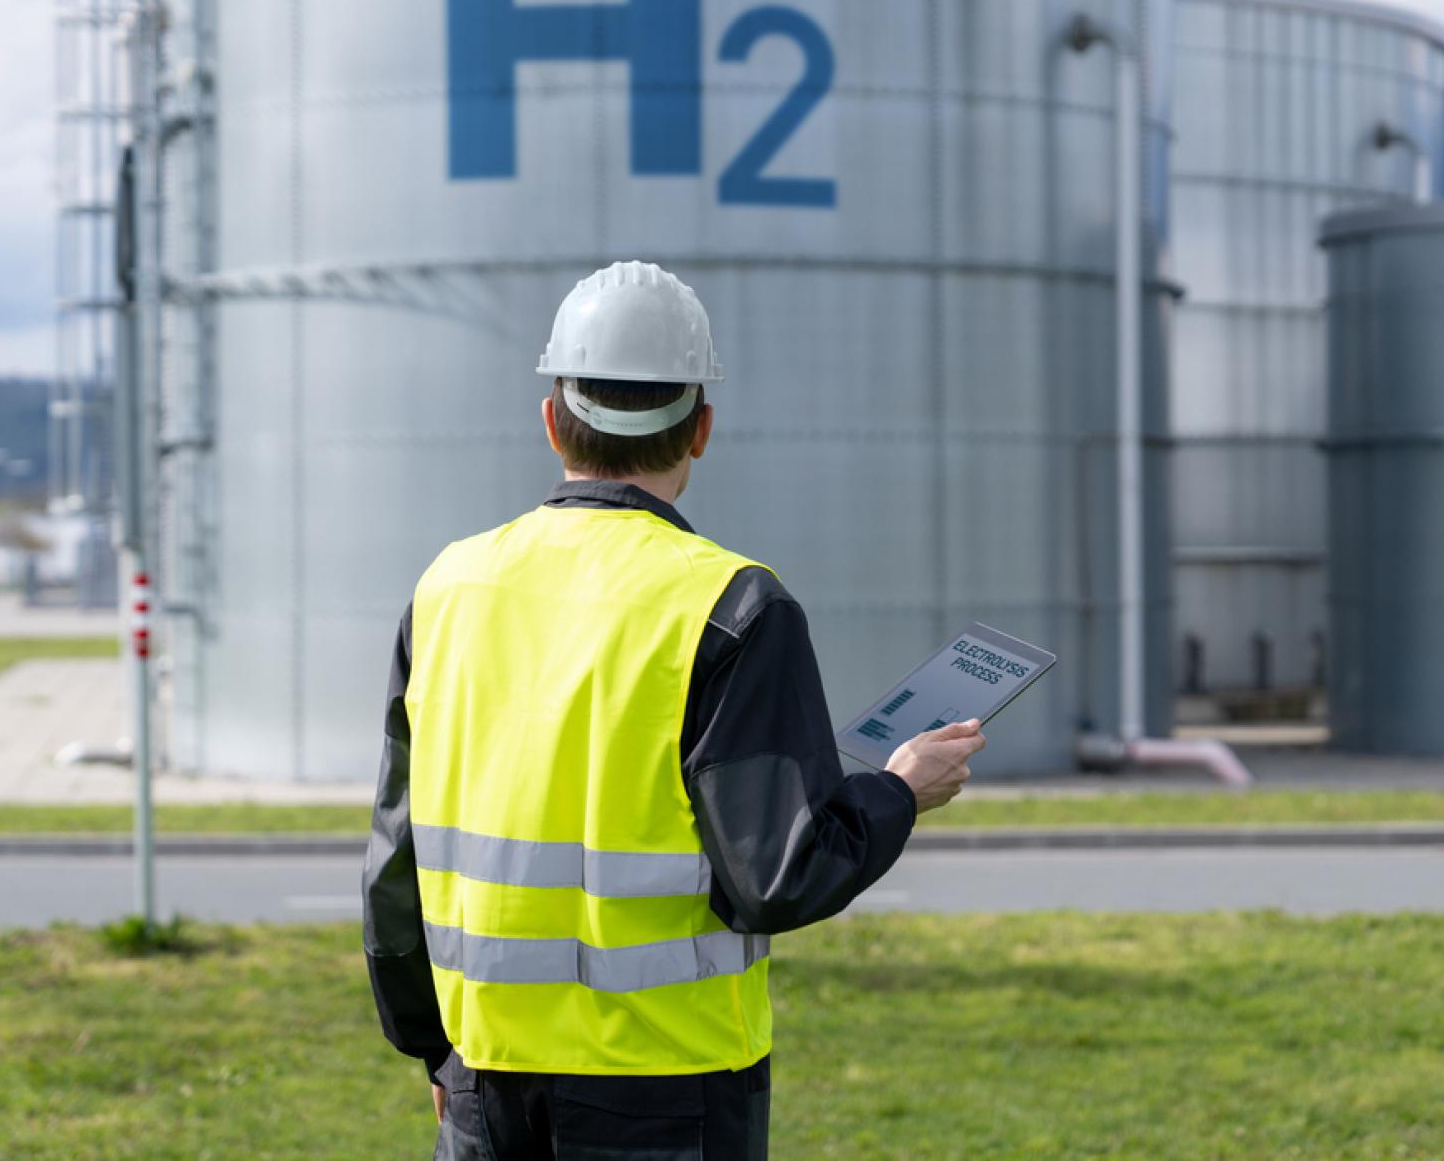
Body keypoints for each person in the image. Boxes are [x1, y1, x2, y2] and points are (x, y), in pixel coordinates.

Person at [362, 260, 987, 1159]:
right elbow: (782, 874)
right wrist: (899, 791)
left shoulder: (448, 586)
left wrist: (433, 1049)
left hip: (481, 1076)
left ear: (551, 421)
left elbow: (397, 855)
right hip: (669, 1088)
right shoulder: (733, 607)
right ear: (700, 429)